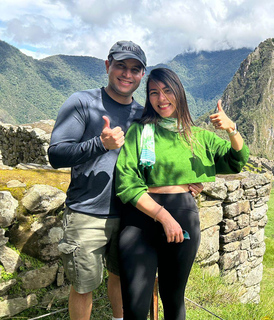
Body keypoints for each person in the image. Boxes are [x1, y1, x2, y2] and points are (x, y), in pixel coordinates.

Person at [48, 41, 203, 320]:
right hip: (87, 212)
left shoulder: (145, 116)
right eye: (121, 66)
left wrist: (186, 180)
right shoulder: (83, 103)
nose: (127, 74)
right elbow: (56, 155)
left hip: (133, 214)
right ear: (108, 66)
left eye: (135, 69)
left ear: (141, 75)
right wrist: (99, 144)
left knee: (122, 278)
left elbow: (160, 159)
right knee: (84, 286)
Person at [115, 67, 249, 319]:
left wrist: (232, 129)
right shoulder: (140, 132)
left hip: (184, 217)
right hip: (141, 217)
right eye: (154, 92)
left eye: (167, 91)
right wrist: (164, 217)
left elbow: (236, 160)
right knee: (134, 305)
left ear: (179, 93)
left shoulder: (199, 137)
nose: (161, 98)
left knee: (173, 299)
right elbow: (127, 182)